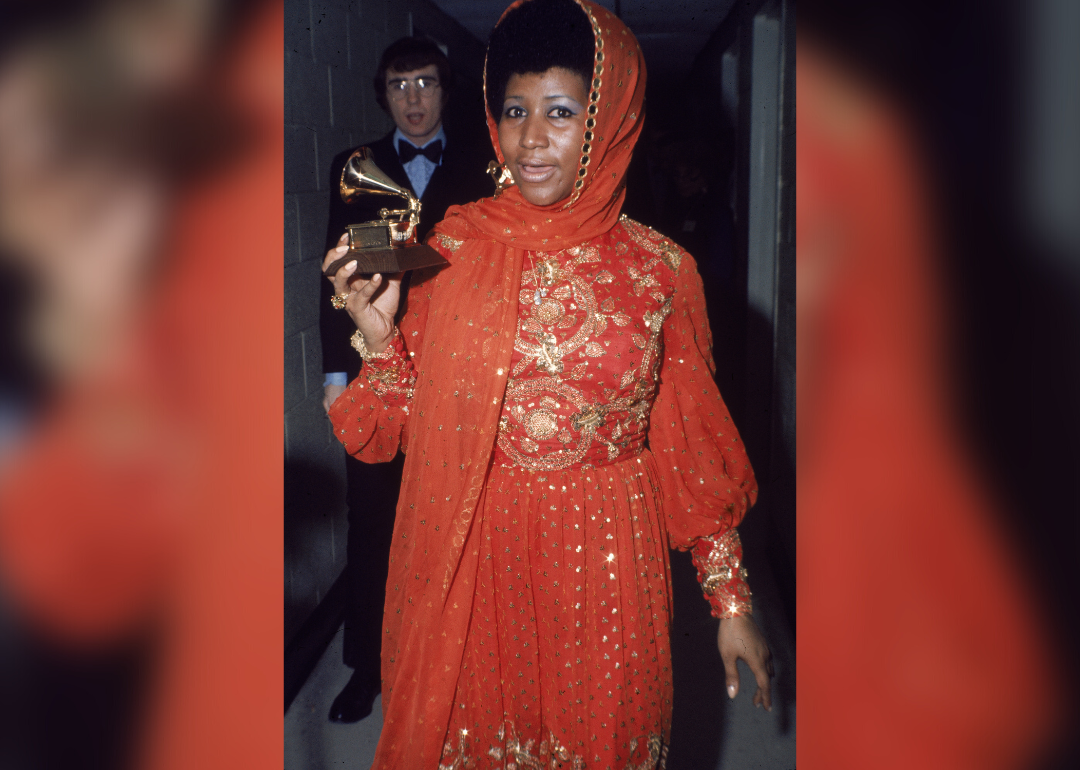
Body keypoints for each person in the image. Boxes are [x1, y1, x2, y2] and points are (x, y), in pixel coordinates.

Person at [323, 0, 772, 766]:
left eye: (560, 112)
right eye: (515, 110)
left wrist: (730, 601)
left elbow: (688, 445)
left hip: (610, 564)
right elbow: (387, 427)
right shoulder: (456, 247)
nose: (532, 139)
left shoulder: (660, 272)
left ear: (610, 117)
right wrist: (377, 335)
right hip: (478, 557)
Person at [318, 36, 491, 724]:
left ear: (447, 90)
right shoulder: (352, 167)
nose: (414, 99)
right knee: (373, 522)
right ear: (382, 94)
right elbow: (332, 276)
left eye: (426, 83)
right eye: (399, 85)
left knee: (461, 520)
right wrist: (337, 373)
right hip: (377, 369)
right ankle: (369, 668)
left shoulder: (489, 164)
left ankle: (461, 666)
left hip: (460, 373)